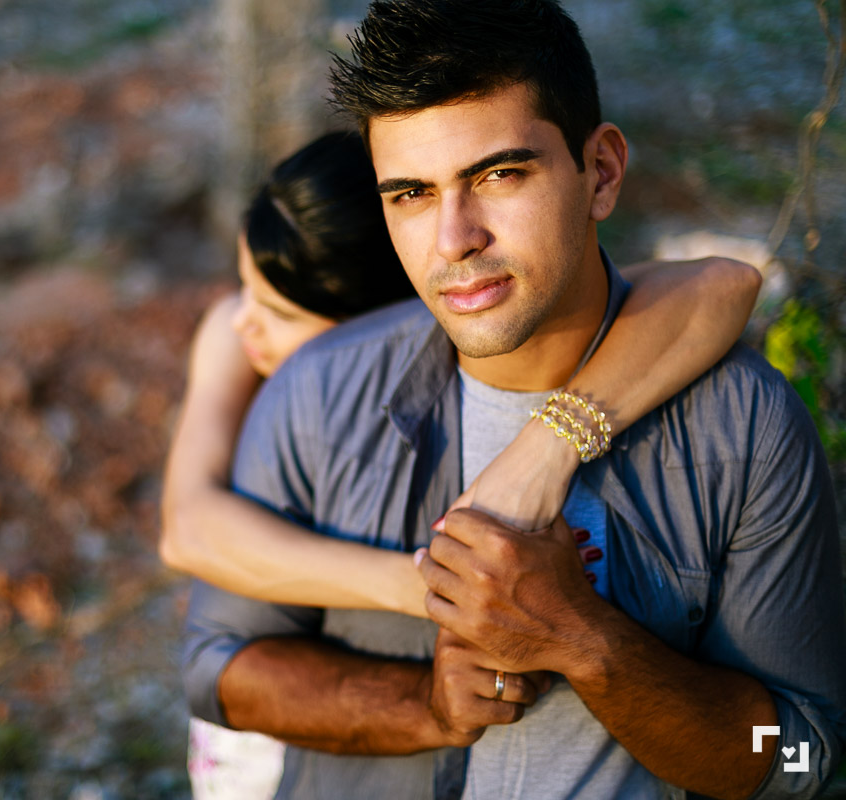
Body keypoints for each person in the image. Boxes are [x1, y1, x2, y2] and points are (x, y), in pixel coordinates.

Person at [179, 2, 846, 799]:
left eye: (499, 174)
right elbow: (217, 668)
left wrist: (586, 642)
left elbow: (810, 756)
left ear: (599, 172)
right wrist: (425, 706)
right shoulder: (319, 391)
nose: (454, 238)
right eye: (411, 194)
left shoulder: (743, 429)